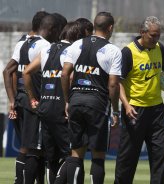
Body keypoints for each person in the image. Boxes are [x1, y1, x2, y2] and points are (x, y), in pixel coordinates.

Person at [58, 12, 121, 184]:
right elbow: (114, 85)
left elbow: (64, 75)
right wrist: (116, 110)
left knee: (76, 154)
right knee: (98, 155)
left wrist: (67, 100)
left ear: (94, 25)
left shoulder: (77, 44)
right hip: (98, 104)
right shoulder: (113, 50)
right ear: (110, 28)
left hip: (76, 101)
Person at [22, 21, 84, 184]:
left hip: (45, 108)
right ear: (77, 36)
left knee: (52, 158)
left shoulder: (47, 49)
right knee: (72, 155)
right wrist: (69, 100)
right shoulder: (73, 51)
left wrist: (32, 98)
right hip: (62, 111)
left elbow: (26, 72)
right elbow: (68, 77)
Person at [2, 12, 59, 184]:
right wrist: (35, 98)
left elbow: (8, 71)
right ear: (50, 28)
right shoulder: (45, 46)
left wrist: (12, 101)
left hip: (20, 98)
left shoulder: (22, 43)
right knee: (34, 147)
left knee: (27, 146)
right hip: (34, 100)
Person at [114, 16, 164, 184]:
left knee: (161, 156)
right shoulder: (128, 52)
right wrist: (125, 105)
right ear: (142, 32)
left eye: (158, 35)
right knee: (128, 158)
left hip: (156, 110)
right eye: (153, 35)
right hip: (135, 110)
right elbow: (118, 82)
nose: (156, 39)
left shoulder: (160, 48)